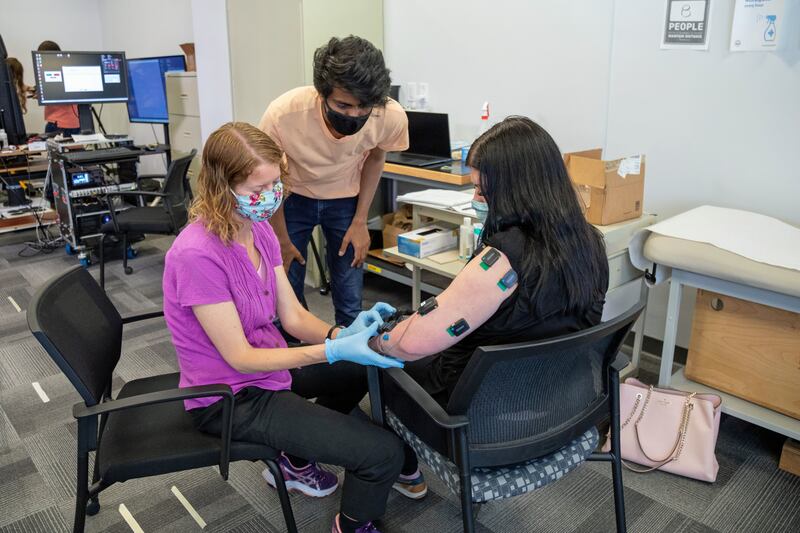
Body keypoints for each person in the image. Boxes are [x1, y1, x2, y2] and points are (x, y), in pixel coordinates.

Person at [162, 121, 406, 533]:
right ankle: (349, 525)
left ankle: (293, 457)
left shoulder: (258, 230)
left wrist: (341, 335)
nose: (271, 196)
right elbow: (240, 358)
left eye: (276, 182)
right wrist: (331, 351)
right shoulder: (195, 254)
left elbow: (291, 317)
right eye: (258, 189)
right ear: (223, 188)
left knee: (366, 367)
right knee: (382, 454)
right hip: (230, 397)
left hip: (269, 370)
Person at [373, 116, 610, 499]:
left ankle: (403, 470)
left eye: (483, 192)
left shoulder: (501, 262)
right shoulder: (590, 244)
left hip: (484, 418)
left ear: (517, 191)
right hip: (557, 403)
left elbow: (413, 344)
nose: (475, 200)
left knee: (373, 366)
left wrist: (378, 340)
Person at [259, 35, 408, 327]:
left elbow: (376, 158)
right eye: (343, 106)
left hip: (345, 200)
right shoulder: (283, 114)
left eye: (363, 107)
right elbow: (270, 181)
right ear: (322, 94)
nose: (354, 115)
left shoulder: (389, 115)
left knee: (350, 287)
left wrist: (361, 220)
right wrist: (280, 238)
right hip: (292, 198)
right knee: (285, 285)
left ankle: (351, 356)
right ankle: (294, 354)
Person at [36, 41, 80, 135]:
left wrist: (39, 94)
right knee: (77, 149)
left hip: (57, 123)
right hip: (75, 122)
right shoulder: (70, 69)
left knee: (53, 149)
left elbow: (49, 93)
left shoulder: (48, 70)